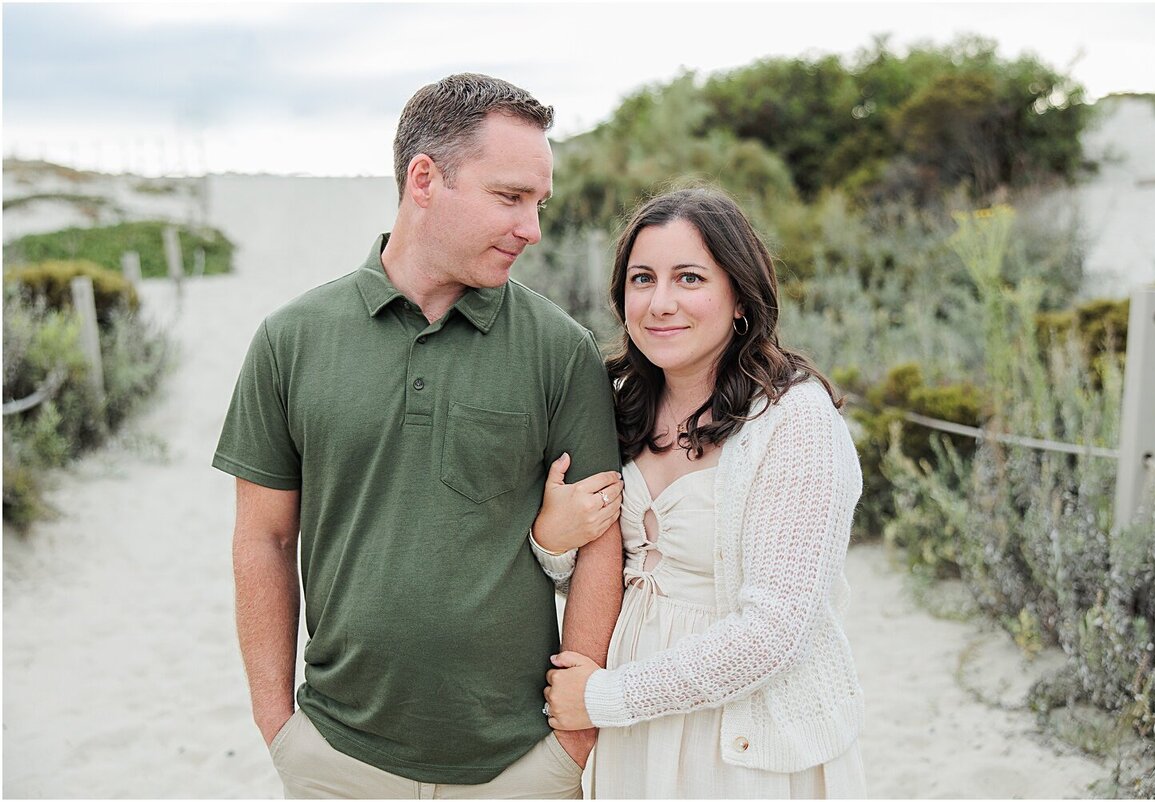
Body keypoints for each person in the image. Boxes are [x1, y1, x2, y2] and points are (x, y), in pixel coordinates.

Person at [213, 73, 625, 799]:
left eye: (539, 203)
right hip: (334, 759)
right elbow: (264, 539)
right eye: (510, 197)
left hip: (517, 765)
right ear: (425, 179)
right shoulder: (291, 340)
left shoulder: (562, 350)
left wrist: (573, 739)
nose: (532, 228)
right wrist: (277, 722)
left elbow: (601, 541)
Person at [538, 187, 867, 798]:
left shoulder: (796, 421)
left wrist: (608, 696)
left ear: (739, 297)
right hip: (632, 736)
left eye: (689, 278)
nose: (661, 303)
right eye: (643, 279)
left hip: (744, 741)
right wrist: (552, 541)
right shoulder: (616, 404)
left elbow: (774, 630)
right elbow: (599, 570)